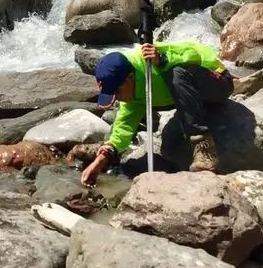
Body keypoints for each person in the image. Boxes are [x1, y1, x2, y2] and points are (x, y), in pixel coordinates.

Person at [80, 41, 232, 186]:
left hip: (216, 81)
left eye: (117, 93)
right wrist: (102, 158)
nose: (117, 99)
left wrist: (163, 59)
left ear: (129, 79)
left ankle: (205, 150)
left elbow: (193, 55)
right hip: (188, 96)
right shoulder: (132, 89)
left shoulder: (150, 57)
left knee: (177, 73)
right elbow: (124, 125)